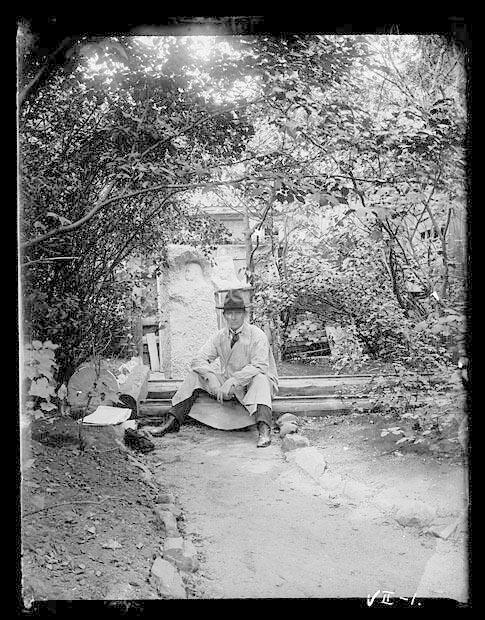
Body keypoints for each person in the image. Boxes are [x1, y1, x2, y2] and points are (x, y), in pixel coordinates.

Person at [157, 289, 279, 447]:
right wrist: (211, 376)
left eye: (237, 313)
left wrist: (233, 381)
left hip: (253, 385)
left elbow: (260, 366)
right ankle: (172, 421)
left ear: (244, 314)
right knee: (195, 375)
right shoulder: (220, 336)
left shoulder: (257, 335)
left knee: (261, 379)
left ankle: (264, 430)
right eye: (229, 313)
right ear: (224, 315)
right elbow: (198, 360)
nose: (233, 317)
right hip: (230, 384)